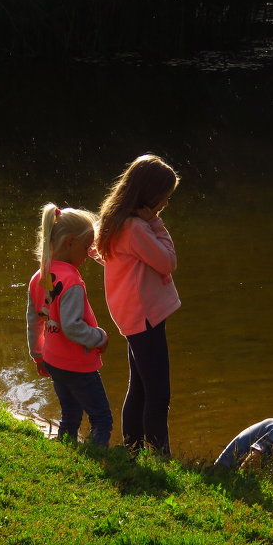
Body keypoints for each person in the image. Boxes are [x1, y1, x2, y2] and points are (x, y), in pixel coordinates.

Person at [94, 154, 181, 455]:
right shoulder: (138, 228)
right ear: (150, 196)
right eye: (164, 199)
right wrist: (155, 222)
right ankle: (159, 456)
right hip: (146, 317)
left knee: (141, 386)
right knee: (158, 392)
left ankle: (132, 449)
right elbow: (168, 262)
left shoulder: (114, 221)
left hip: (132, 315)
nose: (165, 205)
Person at [26, 202, 112, 447]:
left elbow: (34, 320)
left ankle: (65, 450)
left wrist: (37, 355)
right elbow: (72, 326)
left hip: (54, 361)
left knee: (70, 415)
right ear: (70, 243)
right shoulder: (72, 281)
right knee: (101, 418)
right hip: (78, 365)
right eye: (86, 248)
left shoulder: (39, 275)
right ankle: (99, 461)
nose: (88, 255)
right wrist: (99, 337)